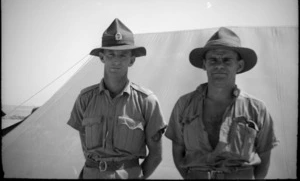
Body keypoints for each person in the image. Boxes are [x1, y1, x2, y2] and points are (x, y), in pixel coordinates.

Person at [165, 27, 279, 179]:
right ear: (204, 64)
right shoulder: (184, 104)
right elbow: (178, 149)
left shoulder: (256, 108)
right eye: (213, 60)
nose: (219, 65)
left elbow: (265, 155)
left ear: (239, 66)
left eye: (227, 60)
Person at [67, 18, 167, 179]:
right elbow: (86, 147)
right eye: (111, 54)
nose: (116, 60)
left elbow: (156, 155)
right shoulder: (85, 99)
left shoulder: (147, 101)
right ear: (102, 57)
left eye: (122, 55)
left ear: (132, 60)